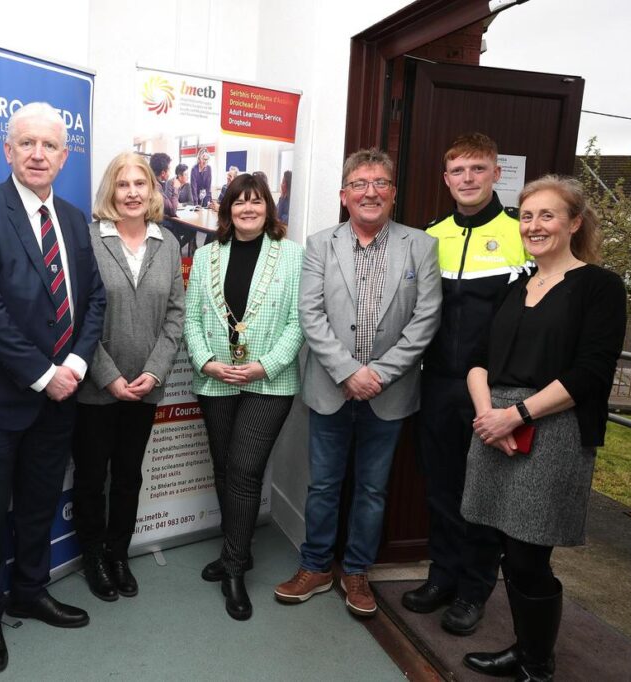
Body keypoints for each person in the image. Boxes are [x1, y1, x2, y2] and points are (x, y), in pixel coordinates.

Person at [0, 102, 106, 674]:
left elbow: (93, 299)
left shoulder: (73, 218)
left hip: (63, 393)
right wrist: (45, 374)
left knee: (40, 503)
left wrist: (77, 366)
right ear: (8, 150)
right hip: (0, 398)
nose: (38, 153)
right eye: (27, 144)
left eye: (50, 145)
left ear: (65, 156)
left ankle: (30, 590)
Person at [460, 176, 626, 681]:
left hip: (552, 429)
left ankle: (538, 665)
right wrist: (491, 416)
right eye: (527, 216)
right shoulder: (516, 287)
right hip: (496, 424)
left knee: (531, 554)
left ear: (574, 222)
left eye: (547, 215)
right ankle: (524, 648)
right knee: (508, 549)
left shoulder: (599, 286)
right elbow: (478, 360)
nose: (534, 225)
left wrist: (519, 414)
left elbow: (590, 372)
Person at [274, 148, 441, 618]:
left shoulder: (420, 246)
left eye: (381, 183)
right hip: (331, 388)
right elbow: (311, 314)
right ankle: (315, 567)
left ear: (393, 193)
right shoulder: (320, 243)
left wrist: (379, 375)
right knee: (323, 486)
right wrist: (348, 371)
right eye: (360, 184)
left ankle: (357, 571)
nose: (371, 192)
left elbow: (426, 320)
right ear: (344, 195)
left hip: (390, 392)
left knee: (372, 489)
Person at [402, 133, 532, 635]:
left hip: (493, 391)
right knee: (440, 488)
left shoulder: (521, 233)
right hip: (436, 384)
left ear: (497, 174)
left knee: (482, 493)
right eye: (458, 171)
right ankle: (442, 577)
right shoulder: (430, 235)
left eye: (478, 169)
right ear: (446, 179)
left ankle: (475, 590)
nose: (468, 179)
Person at [184, 173, 305, 621]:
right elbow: (193, 319)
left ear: (268, 208)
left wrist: (265, 365)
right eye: (239, 203)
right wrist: (206, 362)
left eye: (256, 202)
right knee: (224, 467)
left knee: (244, 469)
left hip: (268, 381)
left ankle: (234, 567)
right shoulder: (206, 256)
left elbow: (299, 322)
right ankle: (238, 547)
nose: (248, 209)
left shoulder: (293, 256)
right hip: (216, 377)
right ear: (227, 210)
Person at [72, 152, 185, 602]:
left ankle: (118, 554)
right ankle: (94, 557)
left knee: (128, 477)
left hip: (145, 390)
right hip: (96, 389)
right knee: (90, 477)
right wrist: (108, 376)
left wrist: (154, 372)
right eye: (123, 185)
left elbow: (175, 315)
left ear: (152, 191)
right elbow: (76, 317)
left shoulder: (168, 243)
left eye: (140, 184)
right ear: (110, 192)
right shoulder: (88, 241)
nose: (133, 193)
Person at [149, 152, 176, 217]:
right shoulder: (156, 186)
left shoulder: (151, 182)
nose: (170, 172)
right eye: (169, 169)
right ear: (163, 173)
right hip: (155, 224)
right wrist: (175, 188)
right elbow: (173, 211)